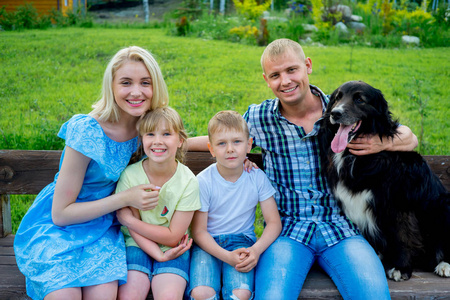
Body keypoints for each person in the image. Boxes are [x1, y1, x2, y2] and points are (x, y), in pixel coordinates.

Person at [188, 38, 418, 299]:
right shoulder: (260, 118)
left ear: (307, 65)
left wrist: (381, 142)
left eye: (291, 70)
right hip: (287, 233)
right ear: (266, 80)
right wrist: (171, 143)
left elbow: (409, 137)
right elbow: (223, 136)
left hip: (341, 229)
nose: (285, 81)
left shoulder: (340, 111)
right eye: (275, 75)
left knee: (373, 295)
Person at [14, 46, 170, 300]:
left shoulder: (148, 129)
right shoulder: (88, 131)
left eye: (145, 83)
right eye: (126, 83)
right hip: (58, 229)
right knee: (65, 296)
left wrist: (233, 151)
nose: (136, 92)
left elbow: (181, 140)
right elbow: (61, 214)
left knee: (103, 295)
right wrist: (125, 199)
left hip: (101, 230)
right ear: (111, 86)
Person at [188, 110, 281, 300]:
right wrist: (226, 256)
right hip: (208, 244)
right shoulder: (203, 181)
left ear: (249, 145)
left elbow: (274, 223)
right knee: (201, 293)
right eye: (221, 143)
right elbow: (199, 232)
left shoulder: (256, 177)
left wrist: (256, 250)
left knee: (241, 294)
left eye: (237, 142)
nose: (230, 149)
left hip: (243, 242)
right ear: (211, 149)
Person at [115, 106, 201, 300]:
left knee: (169, 295)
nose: (158, 141)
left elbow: (172, 237)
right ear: (142, 139)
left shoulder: (187, 181)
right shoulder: (130, 176)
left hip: (174, 248)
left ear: (180, 141)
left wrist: (129, 221)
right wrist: (156, 253)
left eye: (166, 134)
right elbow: (134, 233)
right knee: (130, 295)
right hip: (136, 244)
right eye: (150, 134)